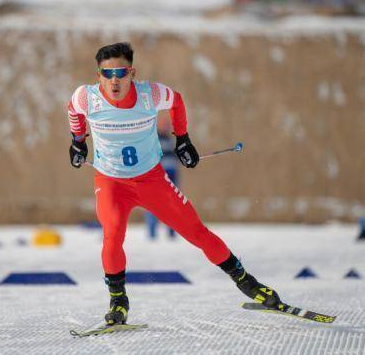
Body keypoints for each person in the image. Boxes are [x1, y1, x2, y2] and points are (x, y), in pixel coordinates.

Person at [67, 42, 281, 326]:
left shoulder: (149, 94)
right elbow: (73, 112)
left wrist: (183, 139)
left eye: (121, 72)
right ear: (99, 76)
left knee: (197, 233)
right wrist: (78, 142)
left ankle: (247, 283)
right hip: (111, 182)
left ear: (132, 72)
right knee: (113, 234)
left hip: (151, 181)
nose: (114, 80)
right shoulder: (86, 98)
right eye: (107, 74)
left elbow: (176, 100)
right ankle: (118, 301)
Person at [144, 117, 178, 239]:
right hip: (159, 175)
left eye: (168, 125)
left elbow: (173, 155)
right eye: (165, 125)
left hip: (172, 173)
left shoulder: (170, 139)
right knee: (153, 204)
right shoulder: (155, 138)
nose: (167, 127)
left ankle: (172, 233)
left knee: (173, 203)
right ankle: (152, 232)